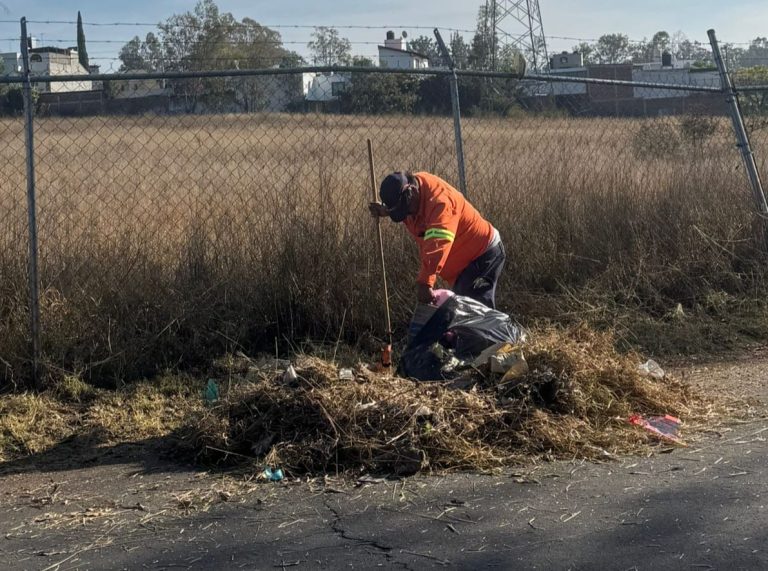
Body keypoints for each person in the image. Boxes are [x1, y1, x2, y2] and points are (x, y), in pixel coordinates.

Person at [369, 171, 505, 309]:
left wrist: (425, 282)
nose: (407, 216)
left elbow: (438, 243)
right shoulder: (411, 197)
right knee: (465, 317)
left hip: (482, 255)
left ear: (413, 192)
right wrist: (387, 211)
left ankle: (508, 331)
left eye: (406, 210)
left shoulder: (441, 203)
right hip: (463, 268)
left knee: (477, 316)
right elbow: (405, 209)